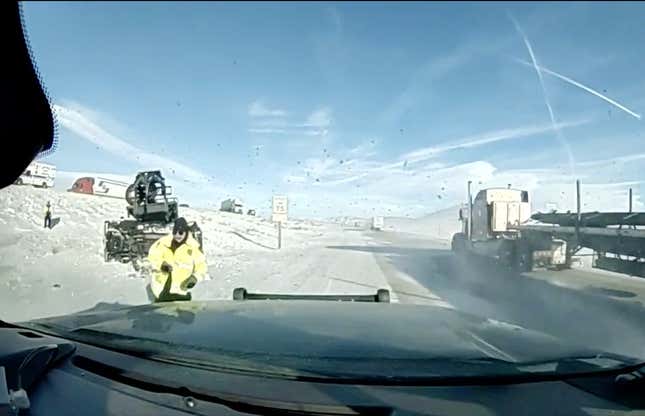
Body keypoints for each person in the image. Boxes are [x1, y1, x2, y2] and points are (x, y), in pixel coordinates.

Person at [147, 217, 207, 302]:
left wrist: (195, 277)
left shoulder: (193, 247)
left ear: (186, 232)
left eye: (181, 232)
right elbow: (153, 257)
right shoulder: (163, 243)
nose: (178, 235)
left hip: (181, 291)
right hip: (161, 290)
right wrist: (161, 265)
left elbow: (202, 266)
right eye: (175, 232)